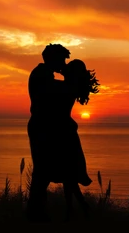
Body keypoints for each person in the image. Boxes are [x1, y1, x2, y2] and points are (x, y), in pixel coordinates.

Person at [26, 43, 70, 222]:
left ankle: (37, 212)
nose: (63, 64)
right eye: (62, 60)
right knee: (42, 172)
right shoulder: (41, 75)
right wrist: (72, 80)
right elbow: (56, 91)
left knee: (43, 171)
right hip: (41, 127)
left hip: (44, 126)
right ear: (53, 59)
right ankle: (35, 214)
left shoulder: (44, 74)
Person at [57, 59, 99, 221]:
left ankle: (75, 207)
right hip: (66, 130)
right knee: (69, 172)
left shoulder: (65, 87)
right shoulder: (69, 86)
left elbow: (53, 86)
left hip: (63, 132)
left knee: (68, 172)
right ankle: (77, 207)